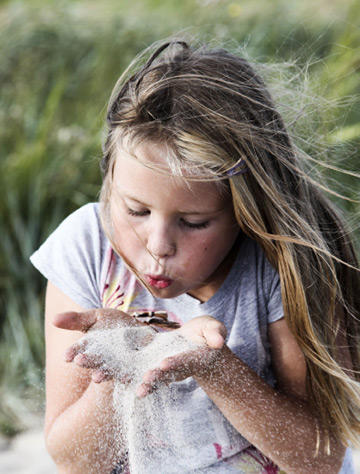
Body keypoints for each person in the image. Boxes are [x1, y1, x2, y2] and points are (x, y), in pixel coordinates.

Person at [30, 40, 360, 473]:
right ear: (109, 179)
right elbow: (76, 463)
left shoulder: (282, 263)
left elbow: (319, 461)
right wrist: (121, 355)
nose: (158, 244)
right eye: (136, 211)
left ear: (245, 211)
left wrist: (217, 367)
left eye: (194, 222)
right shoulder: (86, 247)